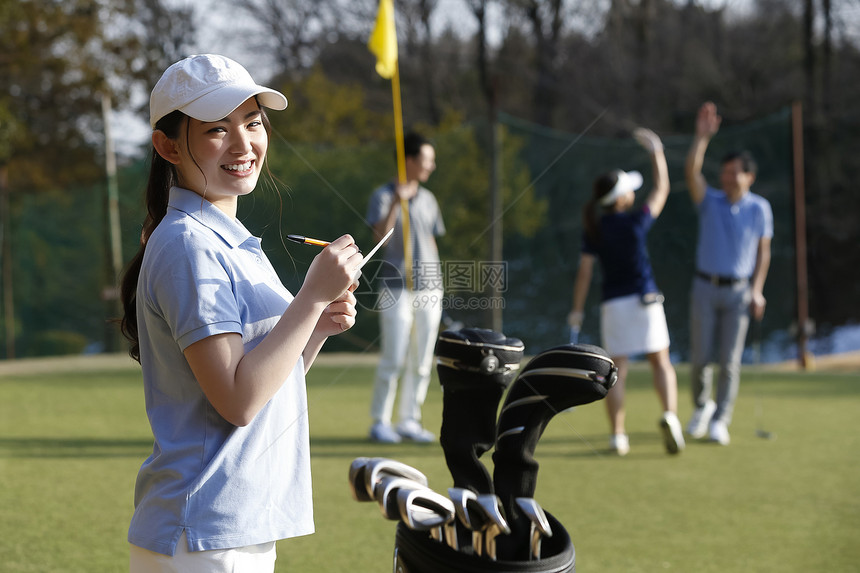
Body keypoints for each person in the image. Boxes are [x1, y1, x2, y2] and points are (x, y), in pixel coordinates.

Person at [119, 54, 362, 572]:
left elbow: (265, 385)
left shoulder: (225, 241)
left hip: (228, 528)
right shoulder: (189, 244)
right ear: (167, 146)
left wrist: (313, 328)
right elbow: (237, 401)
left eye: (253, 123)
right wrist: (310, 299)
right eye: (215, 130)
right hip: (202, 534)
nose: (243, 144)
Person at [568, 128, 685, 456]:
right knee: (661, 362)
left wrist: (576, 309)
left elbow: (584, 273)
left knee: (616, 369)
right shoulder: (636, 221)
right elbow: (662, 188)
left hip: (613, 304)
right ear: (621, 199)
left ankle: (618, 436)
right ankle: (669, 416)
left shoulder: (595, 227)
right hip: (644, 300)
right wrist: (656, 152)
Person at [684, 101, 773, 446]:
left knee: (730, 362)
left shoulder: (760, 208)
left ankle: (721, 418)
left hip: (739, 293)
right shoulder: (711, 201)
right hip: (705, 287)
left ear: (749, 176)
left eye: (734, 171)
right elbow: (692, 173)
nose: (727, 176)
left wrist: (758, 289)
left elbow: (763, 252)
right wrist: (701, 138)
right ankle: (701, 408)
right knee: (700, 359)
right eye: (724, 171)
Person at [366, 132, 445, 443]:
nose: (432, 166)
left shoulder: (429, 199)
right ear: (409, 161)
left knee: (423, 359)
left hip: (429, 288)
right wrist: (398, 201)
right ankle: (380, 421)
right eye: (427, 160)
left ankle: (409, 420)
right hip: (395, 288)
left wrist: (437, 284)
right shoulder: (383, 196)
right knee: (394, 357)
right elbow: (378, 238)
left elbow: (431, 241)